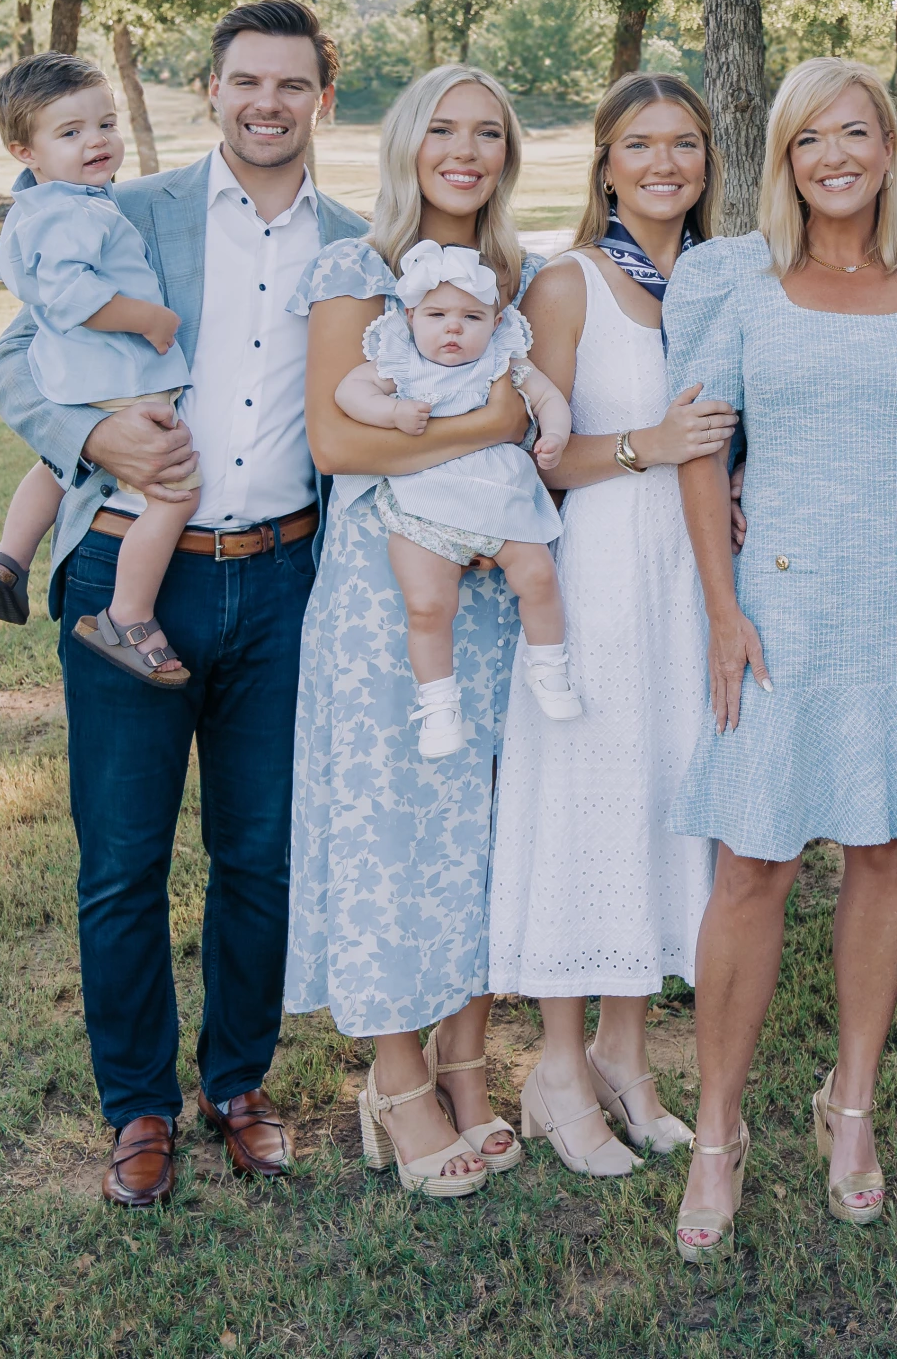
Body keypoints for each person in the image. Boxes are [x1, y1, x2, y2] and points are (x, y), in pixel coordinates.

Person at [0, 0, 350, 1208]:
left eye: (292, 84)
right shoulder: (120, 209)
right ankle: (137, 1107)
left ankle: (236, 1083)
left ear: (321, 100)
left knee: (258, 855)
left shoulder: (357, 244)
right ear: (211, 89)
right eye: (247, 80)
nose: (268, 103)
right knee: (123, 864)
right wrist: (93, 432)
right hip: (127, 577)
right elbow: (11, 358)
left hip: (287, 577)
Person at [663, 57, 897, 1260]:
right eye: (811, 138)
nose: (836, 156)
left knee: (885, 850)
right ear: (786, 159)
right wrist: (721, 607)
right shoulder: (733, 279)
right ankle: (718, 1127)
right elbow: (702, 450)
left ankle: (849, 1109)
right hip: (781, 607)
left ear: (890, 146)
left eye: (857, 132)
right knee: (752, 862)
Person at [287, 63, 542, 1200]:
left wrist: (503, 444)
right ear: (407, 141)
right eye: (445, 127)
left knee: (480, 822)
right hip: (384, 587)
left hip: (493, 593)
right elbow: (340, 445)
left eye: (489, 132)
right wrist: (484, 423)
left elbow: (544, 434)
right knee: (392, 818)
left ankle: (469, 1064)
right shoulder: (356, 270)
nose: (467, 149)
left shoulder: (522, 274)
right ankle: (395, 1078)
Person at [489, 74, 736, 1179]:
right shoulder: (571, 280)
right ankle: (552, 1065)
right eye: (641, 145)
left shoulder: (724, 277)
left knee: (661, 797)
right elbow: (536, 459)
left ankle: (625, 1055)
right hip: (598, 570)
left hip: (693, 578)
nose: (664, 163)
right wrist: (651, 444)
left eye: (684, 144)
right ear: (605, 163)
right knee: (588, 799)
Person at [0, 52, 200, 685]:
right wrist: (148, 319)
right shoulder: (75, 211)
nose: (96, 141)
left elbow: (11, 271)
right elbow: (73, 296)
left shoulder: (37, 207)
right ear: (26, 150)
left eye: (105, 123)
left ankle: (8, 557)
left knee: (59, 462)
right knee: (177, 493)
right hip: (116, 375)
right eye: (70, 133)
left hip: (72, 373)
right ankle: (127, 615)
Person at [331, 241, 575, 757]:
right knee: (427, 605)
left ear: (496, 319)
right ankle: (438, 704)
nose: (453, 329)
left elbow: (550, 397)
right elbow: (349, 392)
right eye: (437, 315)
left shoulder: (504, 359)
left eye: (471, 317)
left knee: (537, 574)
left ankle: (549, 665)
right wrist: (390, 414)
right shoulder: (402, 362)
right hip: (425, 498)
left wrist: (552, 433)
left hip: (498, 494)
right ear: (411, 317)